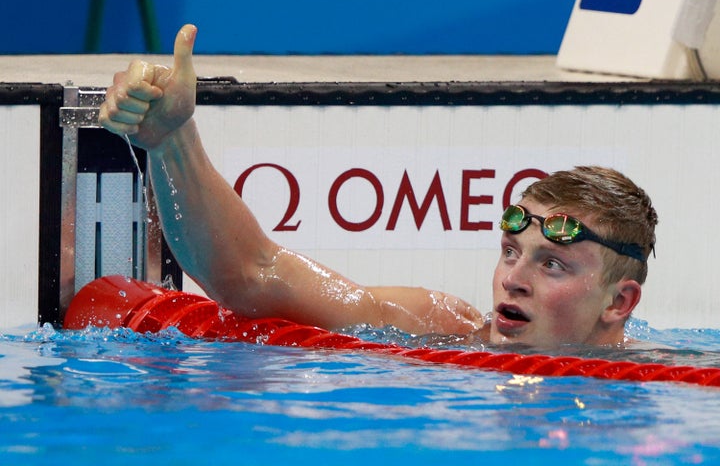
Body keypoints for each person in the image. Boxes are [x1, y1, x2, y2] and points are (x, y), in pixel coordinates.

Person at [98, 24, 657, 348]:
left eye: (551, 264)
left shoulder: (671, 381)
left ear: (620, 301)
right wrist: (173, 140)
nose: (513, 279)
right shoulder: (440, 330)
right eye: (511, 253)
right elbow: (254, 275)